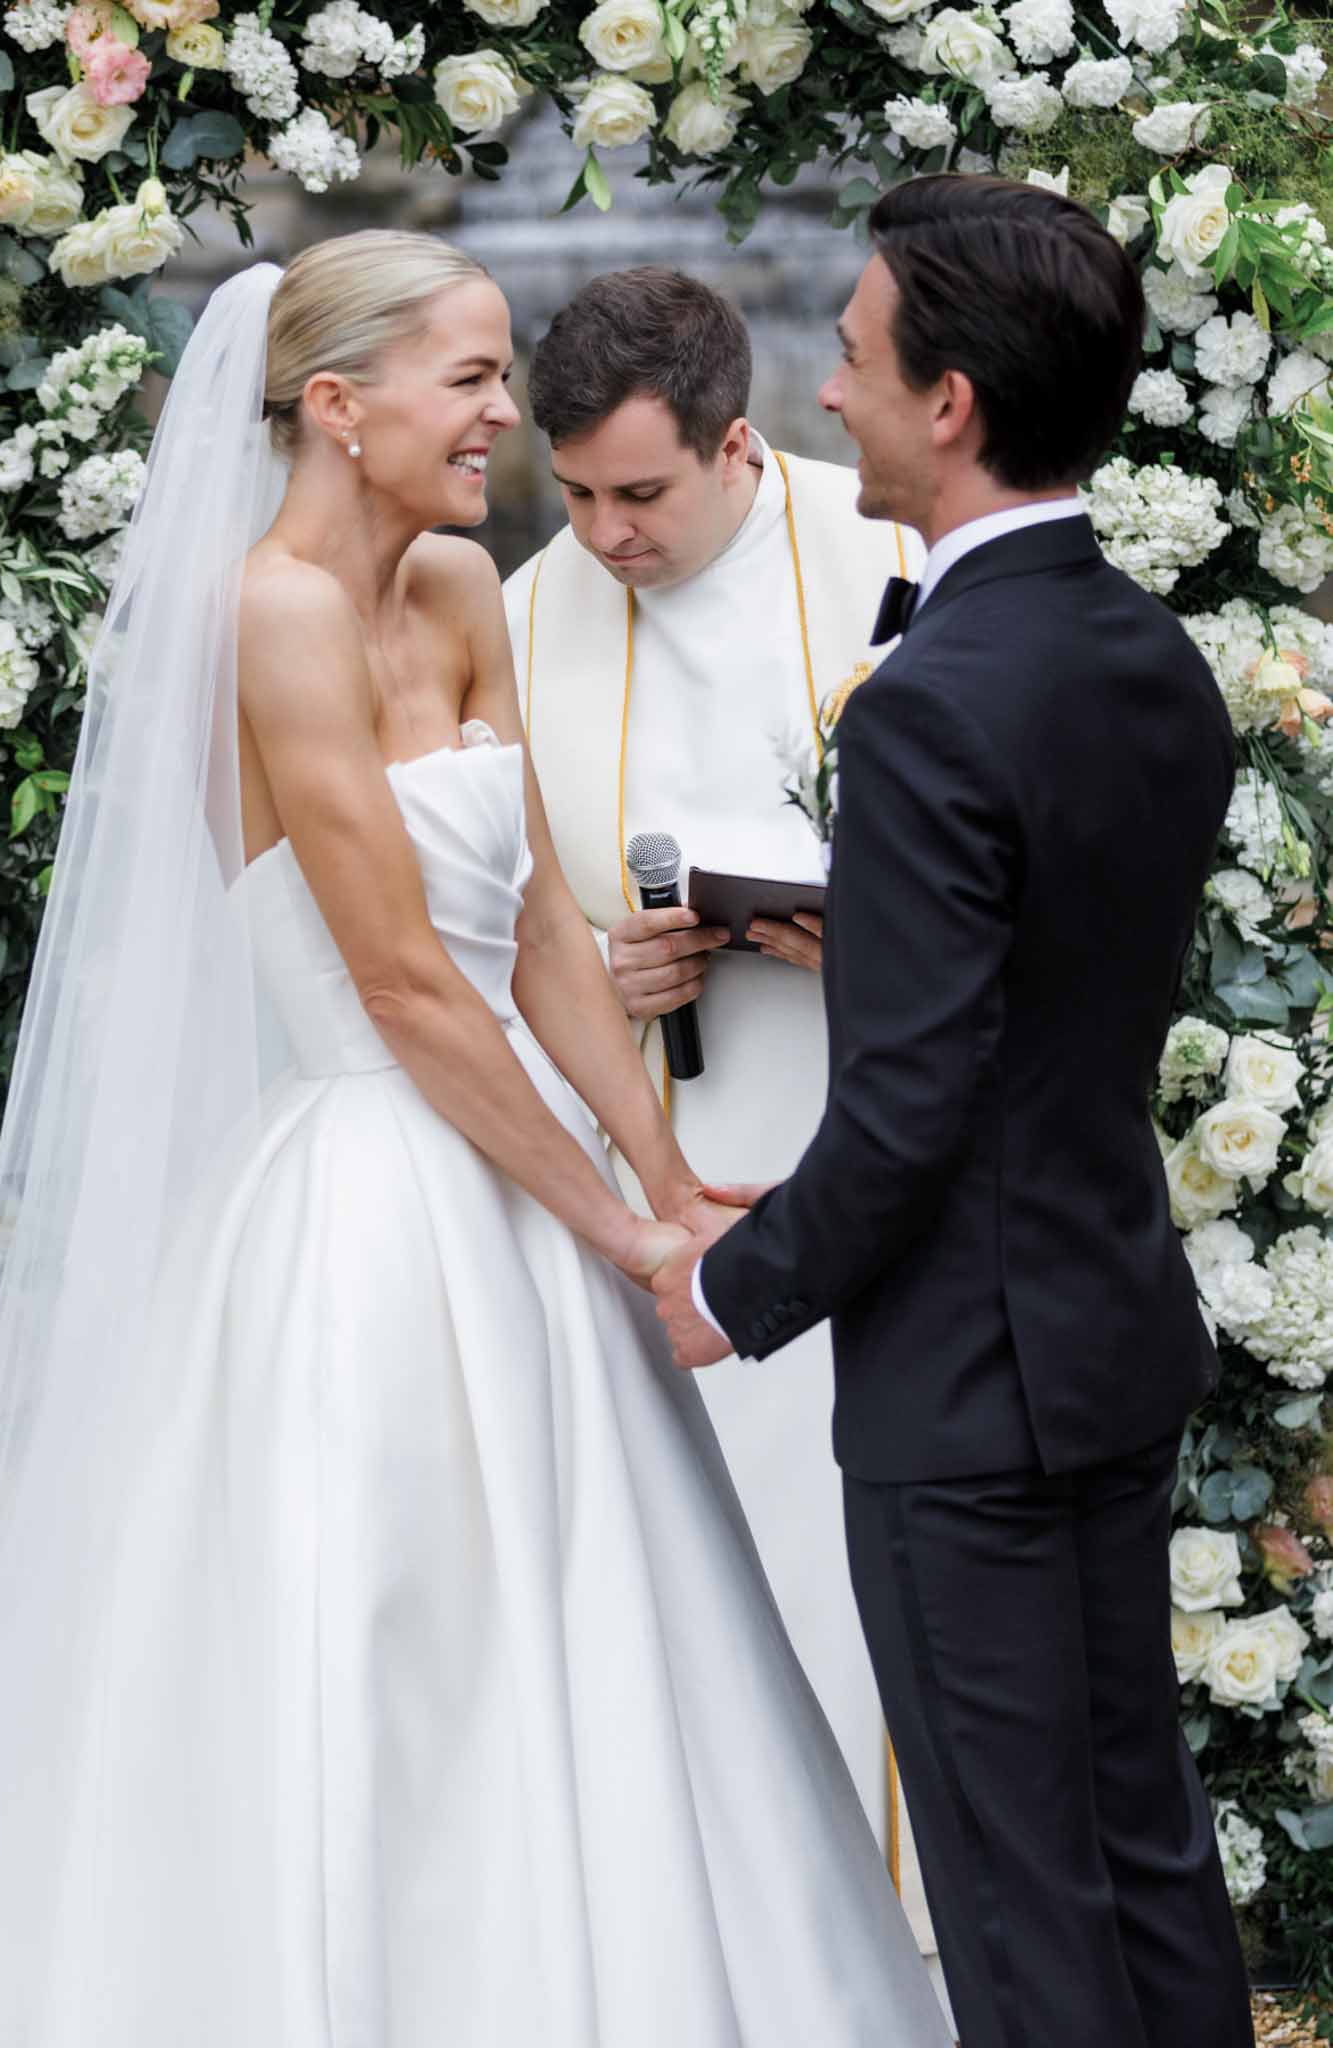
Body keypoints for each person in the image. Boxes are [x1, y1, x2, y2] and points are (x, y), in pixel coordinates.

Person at [0, 231, 950, 2048]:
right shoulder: (265, 614)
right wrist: (619, 1227)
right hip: (370, 1189)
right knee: (389, 1625)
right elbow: (410, 992)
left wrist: (663, 1185)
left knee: (594, 1622)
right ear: (337, 409)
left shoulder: (458, 586)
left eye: (503, 375)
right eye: (476, 379)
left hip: (520, 1168)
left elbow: (542, 939)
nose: (505, 414)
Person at [655, 176, 1256, 2048]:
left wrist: (733, 1285)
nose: (826, 396)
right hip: (1106, 1325)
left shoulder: (925, 708)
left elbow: (911, 1103)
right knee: (1138, 1839)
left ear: (951, 406)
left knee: (1011, 1889)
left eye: (847, 360)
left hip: (966, 1385)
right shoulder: (1150, 655)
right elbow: (1044, 1017)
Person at [504, 266, 923, 1853]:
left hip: (868, 1126)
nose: (607, 534)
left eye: (642, 493)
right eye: (579, 493)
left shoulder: (890, 553)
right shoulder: (521, 615)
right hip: (665, 1159)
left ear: (736, 444)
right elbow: (493, 924)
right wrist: (606, 962)